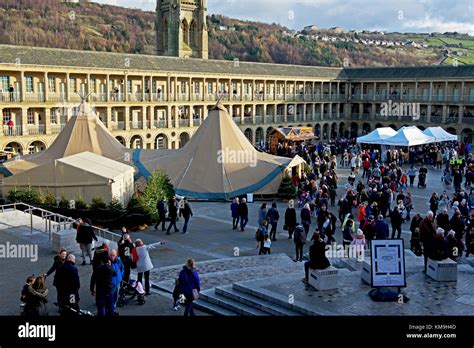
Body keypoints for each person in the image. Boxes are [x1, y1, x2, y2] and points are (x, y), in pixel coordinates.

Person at [90, 249, 116, 317]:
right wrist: (109, 265)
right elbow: (115, 274)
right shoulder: (110, 269)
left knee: (101, 308)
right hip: (109, 291)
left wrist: (92, 289)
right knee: (110, 308)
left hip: (100, 291)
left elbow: (93, 280)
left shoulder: (97, 270)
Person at [109, 249, 124, 313]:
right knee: (111, 295)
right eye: (111, 255)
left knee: (116, 295)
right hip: (111, 283)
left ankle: (113, 305)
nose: (112, 257)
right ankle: (111, 307)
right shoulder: (108, 262)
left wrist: (121, 275)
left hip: (117, 282)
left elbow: (122, 268)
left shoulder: (118, 260)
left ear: (116, 255)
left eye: (113, 255)